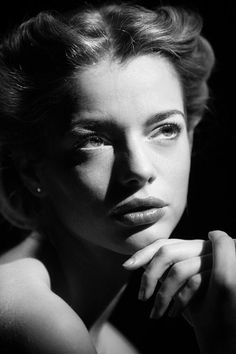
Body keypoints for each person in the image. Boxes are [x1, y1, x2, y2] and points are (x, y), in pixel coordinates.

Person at [0, 2, 235, 353]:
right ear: (31, 168)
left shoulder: (106, 340)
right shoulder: (36, 318)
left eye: (165, 129)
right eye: (93, 140)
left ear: (191, 135)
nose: (139, 170)